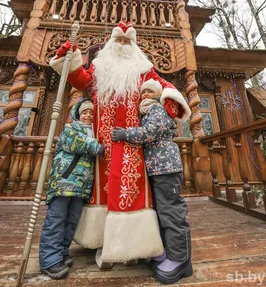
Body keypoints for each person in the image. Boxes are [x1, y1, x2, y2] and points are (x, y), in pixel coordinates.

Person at [49, 19, 191, 264]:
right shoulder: (98, 68)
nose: (123, 44)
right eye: (120, 40)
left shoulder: (144, 69)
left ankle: (131, 247)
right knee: (102, 190)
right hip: (102, 140)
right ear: (111, 43)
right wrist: (69, 60)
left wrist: (170, 100)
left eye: (127, 41)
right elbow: (80, 80)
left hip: (131, 140)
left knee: (129, 188)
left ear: (133, 46)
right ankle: (103, 242)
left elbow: (163, 85)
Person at [112, 79, 192, 284]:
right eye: (143, 92)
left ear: (157, 95)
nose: (145, 95)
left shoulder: (157, 110)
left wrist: (124, 133)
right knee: (162, 210)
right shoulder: (146, 112)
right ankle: (167, 251)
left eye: (150, 92)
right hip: (157, 168)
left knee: (171, 212)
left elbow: (151, 133)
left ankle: (180, 259)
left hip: (166, 167)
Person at [39, 99, 104, 279]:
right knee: (56, 220)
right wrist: (98, 146)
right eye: (85, 112)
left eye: (91, 112)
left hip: (80, 187)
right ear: (78, 114)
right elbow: (77, 142)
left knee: (71, 221)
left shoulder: (95, 132)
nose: (88, 115)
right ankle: (49, 260)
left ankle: (61, 253)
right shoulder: (71, 129)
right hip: (64, 182)